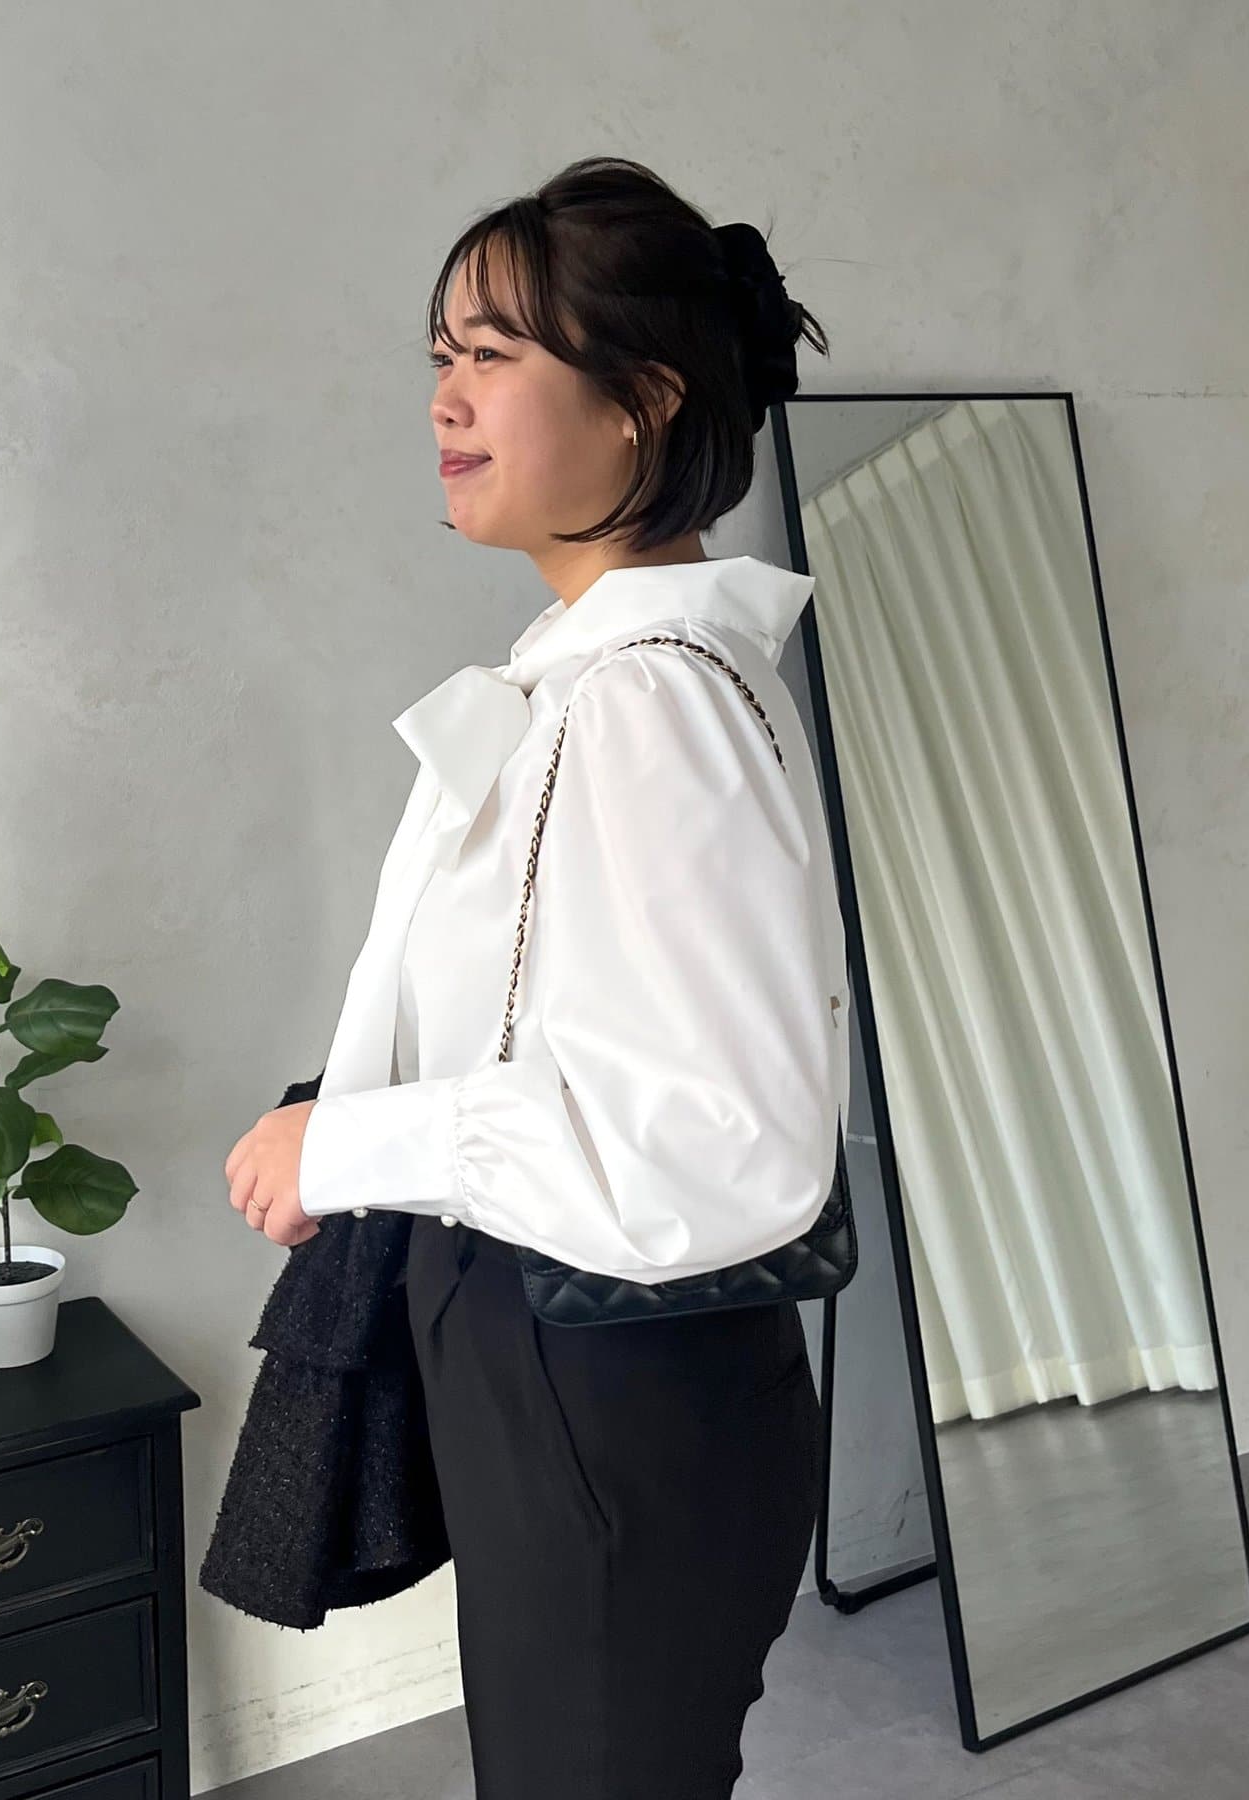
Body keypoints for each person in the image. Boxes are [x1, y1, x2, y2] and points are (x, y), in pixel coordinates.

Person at [223, 154, 850, 1799]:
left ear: (642, 402)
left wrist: (348, 1146)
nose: (445, 396)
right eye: (441, 354)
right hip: (569, 1369)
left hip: (608, 1387)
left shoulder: (646, 704)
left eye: (494, 354)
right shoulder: (592, 685)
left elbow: (718, 1136)